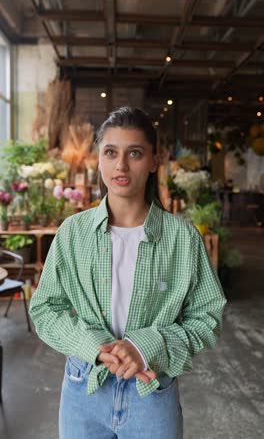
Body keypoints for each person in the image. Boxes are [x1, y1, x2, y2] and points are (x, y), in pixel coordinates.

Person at [29, 107, 227, 439]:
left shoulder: (182, 238)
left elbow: (207, 315)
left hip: (152, 390)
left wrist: (144, 346)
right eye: (110, 152)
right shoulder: (72, 233)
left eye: (134, 153)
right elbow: (46, 308)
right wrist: (95, 345)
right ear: (100, 160)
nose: (121, 165)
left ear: (153, 161)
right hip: (84, 388)